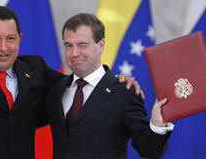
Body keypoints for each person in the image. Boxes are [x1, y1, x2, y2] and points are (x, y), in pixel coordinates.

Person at [0, 6, 142, 158]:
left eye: (10, 39)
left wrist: (115, 81)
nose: (3, 47)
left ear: (19, 39)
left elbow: (78, 88)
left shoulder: (36, 70)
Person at [45, 13, 174, 159]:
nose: (74, 53)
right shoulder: (56, 90)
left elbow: (149, 150)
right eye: (69, 46)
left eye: (82, 45)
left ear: (101, 45)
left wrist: (157, 124)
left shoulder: (124, 92)